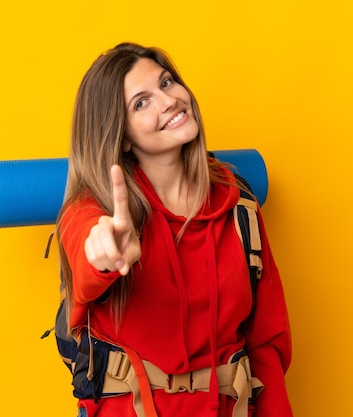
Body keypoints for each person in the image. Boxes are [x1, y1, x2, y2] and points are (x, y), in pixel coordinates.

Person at [55, 42, 293, 417]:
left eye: (166, 83)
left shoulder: (239, 206)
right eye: (141, 102)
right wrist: (102, 253)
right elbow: (88, 253)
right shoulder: (91, 211)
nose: (168, 101)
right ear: (122, 137)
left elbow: (266, 343)